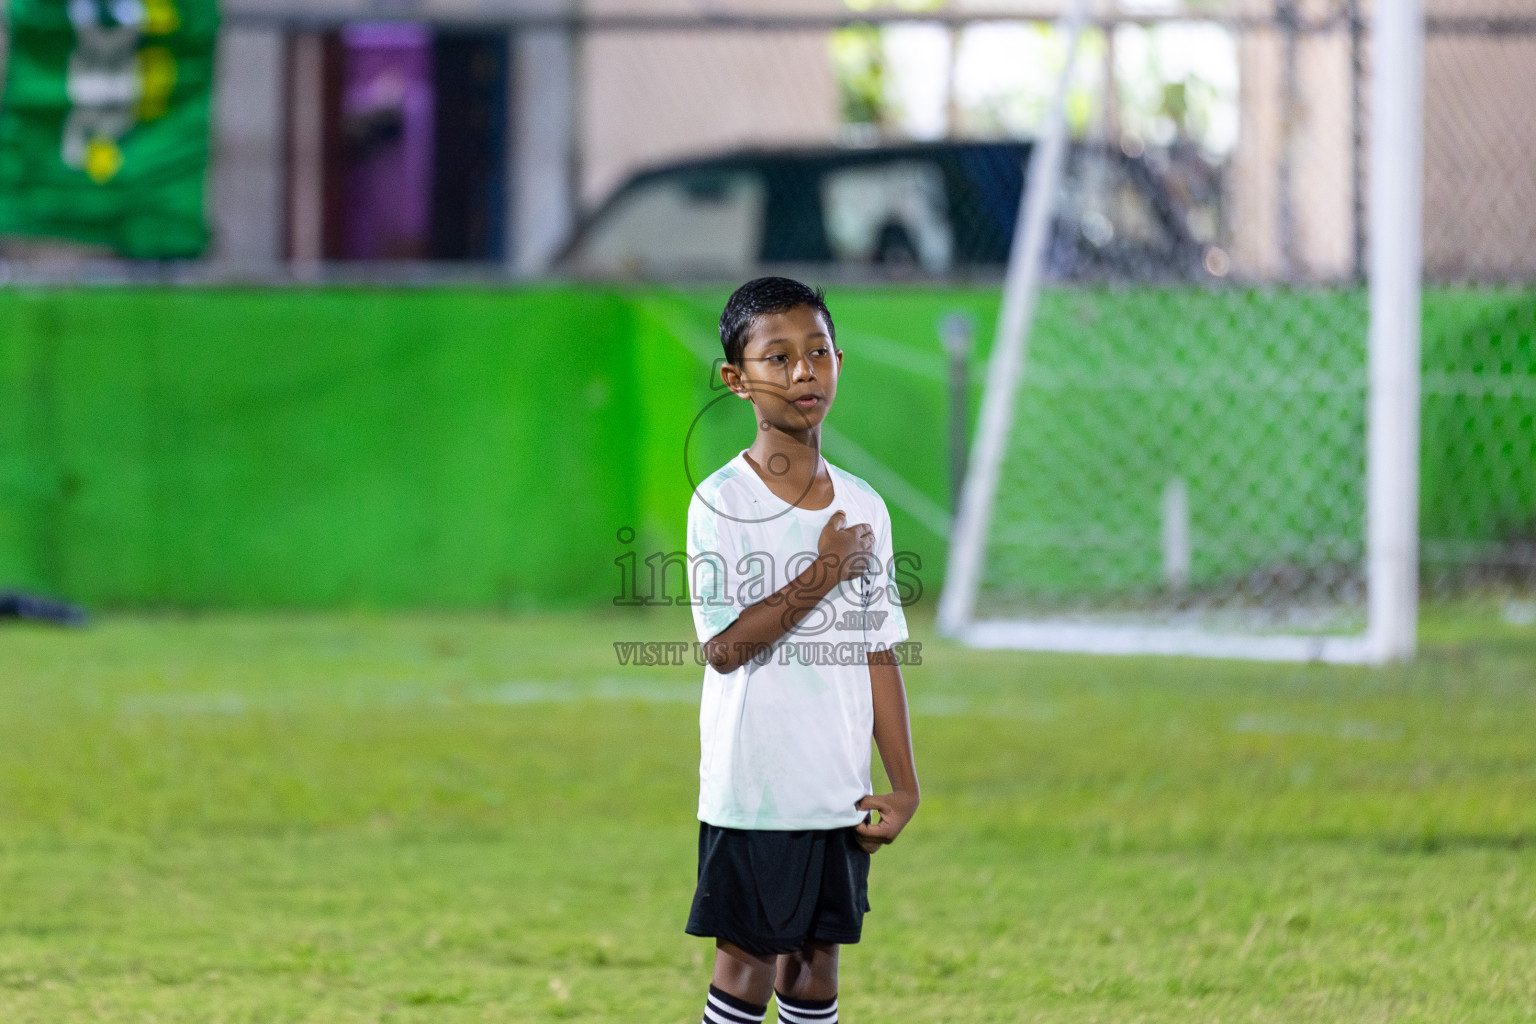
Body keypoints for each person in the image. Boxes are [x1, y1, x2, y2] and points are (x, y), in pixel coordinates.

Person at [684, 277, 920, 1024]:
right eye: (778, 357)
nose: (802, 372)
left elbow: (878, 649)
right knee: (746, 966)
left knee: (816, 968)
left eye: (817, 353)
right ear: (736, 380)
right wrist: (821, 571)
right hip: (754, 789)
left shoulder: (865, 506)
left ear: (839, 362)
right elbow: (723, 649)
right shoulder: (720, 502)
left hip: (836, 788)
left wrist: (904, 782)